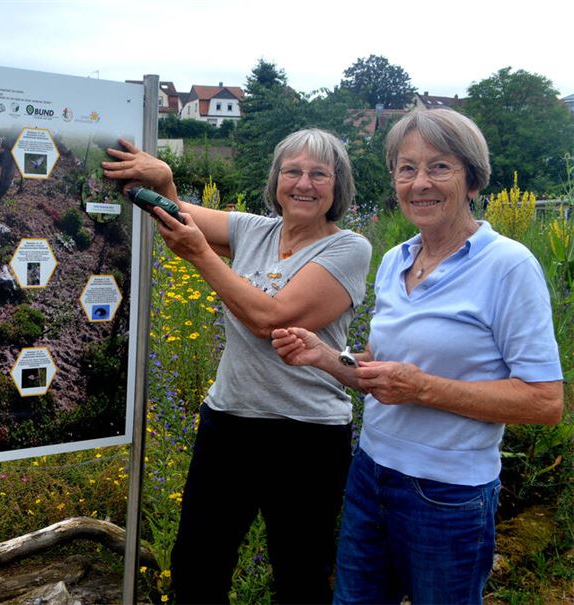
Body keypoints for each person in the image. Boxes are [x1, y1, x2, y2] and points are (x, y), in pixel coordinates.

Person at [271, 108, 564, 604]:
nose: (419, 183)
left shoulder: (509, 266)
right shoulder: (395, 259)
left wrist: (422, 387)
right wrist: (324, 357)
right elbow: (385, 371)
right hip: (370, 476)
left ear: (472, 180)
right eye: (406, 168)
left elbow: (544, 401)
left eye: (440, 167)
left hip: (448, 496)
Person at [104, 130, 372, 604]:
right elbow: (180, 216)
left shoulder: (347, 248)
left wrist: (203, 256)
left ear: (337, 186)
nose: (303, 183)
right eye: (292, 171)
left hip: (307, 436)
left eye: (318, 174)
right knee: (196, 569)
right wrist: (165, 180)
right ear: (276, 179)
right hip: (228, 424)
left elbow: (270, 319)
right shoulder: (253, 230)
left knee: (300, 575)